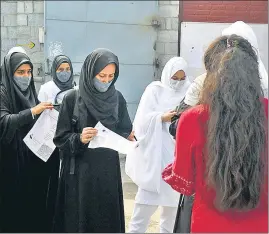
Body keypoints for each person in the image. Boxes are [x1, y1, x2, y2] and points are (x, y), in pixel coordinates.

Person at [162, 35, 268, 233]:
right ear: (254, 71)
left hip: (209, 224)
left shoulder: (192, 119)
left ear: (210, 74)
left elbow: (184, 182)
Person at [53, 48, 133, 233]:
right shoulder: (72, 99)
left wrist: (128, 138)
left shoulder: (117, 98)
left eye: (111, 76)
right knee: (81, 219)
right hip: (80, 174)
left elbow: (124, 128)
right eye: (101, 75)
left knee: (106, 219)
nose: (106, 81)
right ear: (90, 72)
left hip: (107, 173)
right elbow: (60, 138)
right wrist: (79, 138)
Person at [126, 57, 191, 233]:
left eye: (181, 79)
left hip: (176, 159)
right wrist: (161, 117)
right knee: (141, 213)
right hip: (154, 160)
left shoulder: (190, 92)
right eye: (174, 79)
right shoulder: (154, 90)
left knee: (170, 217)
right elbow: (140, 122)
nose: (178, 83)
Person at [0, 50, 60, 232]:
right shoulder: (3, 92)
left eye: (29, 72)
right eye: (20, 72)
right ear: (10, 73)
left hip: (32, 163)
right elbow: (4, 122)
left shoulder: (31, 94)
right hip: (10, 164)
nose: (26, 77)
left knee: (33, 207)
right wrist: (33, 111)